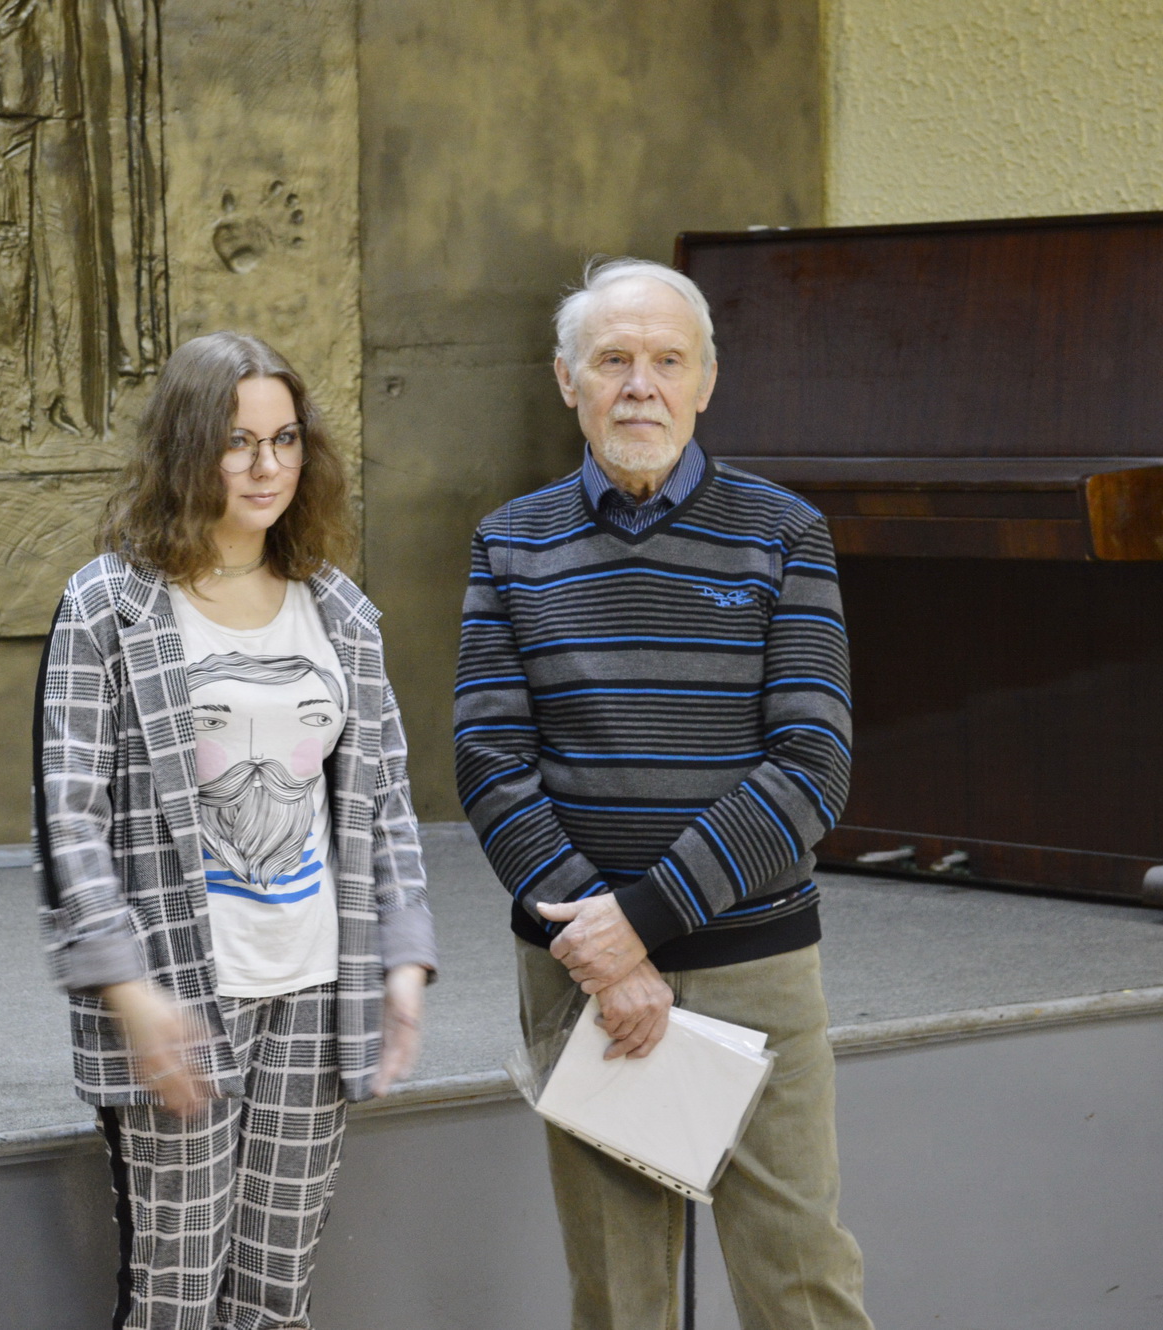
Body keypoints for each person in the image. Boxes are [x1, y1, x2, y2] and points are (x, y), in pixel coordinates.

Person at [454, 257, 871, 1330]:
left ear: (705, 381)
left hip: (750, 962)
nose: (639, 385)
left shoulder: (784, 533)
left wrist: (637, 922)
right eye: (612, 360)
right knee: (617, 1297)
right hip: (581, 976)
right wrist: (603, 950)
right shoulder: (509, 541)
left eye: (666, 361)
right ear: (567, 380)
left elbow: (812, 762)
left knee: (801, 1284)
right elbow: (490, 762)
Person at [34, 330, 438, 1329]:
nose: (266, 466)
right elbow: (70, 816)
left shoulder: (340, 612)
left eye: (284, 439)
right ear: (187, 449)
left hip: (315, 990)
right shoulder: (110, 605)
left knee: (274, 1299)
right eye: (237, 442)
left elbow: (383, 799)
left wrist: (402, 958)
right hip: (178, 994)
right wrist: (126, 990)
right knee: (173, 1302)